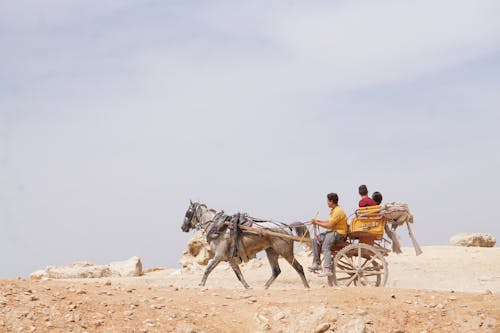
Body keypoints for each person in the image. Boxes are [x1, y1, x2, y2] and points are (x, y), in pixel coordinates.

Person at [308, 193, 348, 277]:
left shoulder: (338, 211)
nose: (326, 202)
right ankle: (317, 264)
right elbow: (328, 222)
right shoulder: (334, 210)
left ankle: (327, 269)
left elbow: (329, 225)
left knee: (325, 246)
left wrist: (317, 223)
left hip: (339, 233)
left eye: (327, 200)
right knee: (315, 240)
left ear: (331, 201)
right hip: (333, 232)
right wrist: (317, 221)